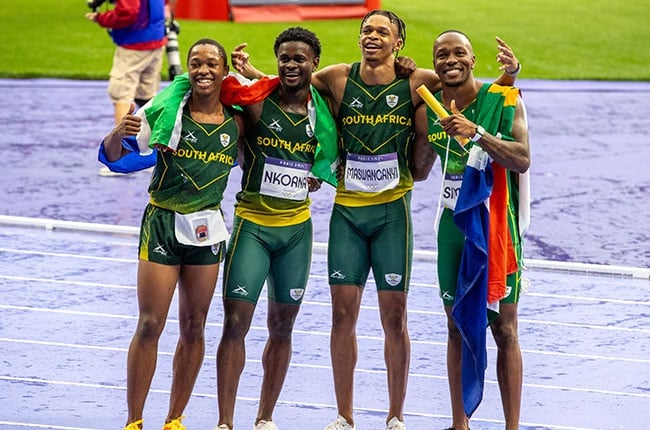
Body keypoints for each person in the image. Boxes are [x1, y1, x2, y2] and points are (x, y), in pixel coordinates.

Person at [232, 12, 519, 430]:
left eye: (382, 32)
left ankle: (395, 415)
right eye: (367, 30)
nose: (372, 37)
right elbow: (289, 85)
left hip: (392, 215)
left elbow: (469, 87)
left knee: (394, 318)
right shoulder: (336, 78)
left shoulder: (417, 80)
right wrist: (253, 72)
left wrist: (511, 76)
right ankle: (345, 415)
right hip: (347, 212)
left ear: (398, 43)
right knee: (342, 316)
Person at [99, 38, 245, 430]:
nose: (203, 70)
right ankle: (134, 420)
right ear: (187, 71)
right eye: (195, 63)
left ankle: (175, 419)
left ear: (224, 70)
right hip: (163, 223)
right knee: (150, 324)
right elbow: (115, 157)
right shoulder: (166, 113)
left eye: (212, 64)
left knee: (195, 326)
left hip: (207, 229)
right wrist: (119, 132)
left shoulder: (238, 121)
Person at [214, 27, 338, 430]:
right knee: (235, 323)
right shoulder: (255, 104)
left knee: (283, 327)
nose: (290, 65)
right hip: (252, 227)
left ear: (314, 64)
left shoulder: (324, 111)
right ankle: (226, 421)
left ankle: (265, 417)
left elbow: (335, 153)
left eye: (299, 58)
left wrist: (320, 171)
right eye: (284, 58)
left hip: (296, 232)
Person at [415, 30, 530, 430]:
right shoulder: (428, 106)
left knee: (504, 329)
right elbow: (417, 168)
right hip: (453, 226)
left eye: (458, 52)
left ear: (473, 59)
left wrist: (476, 133)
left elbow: (522, 159)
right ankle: (459, 424)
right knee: (456, 326)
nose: (450, 60)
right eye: (441, 54)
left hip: (496, 224)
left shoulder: (502, 99)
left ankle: (511, 426)